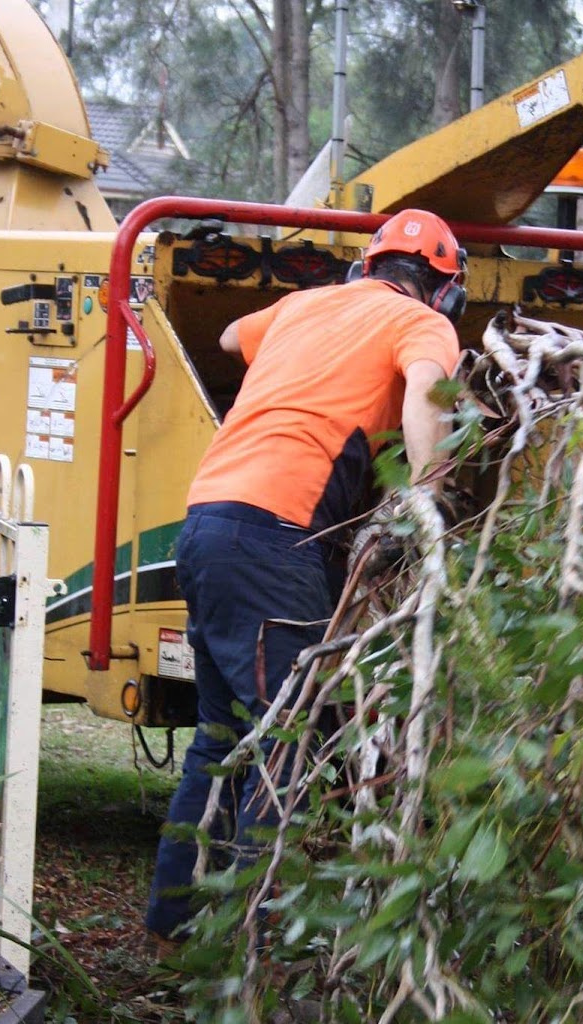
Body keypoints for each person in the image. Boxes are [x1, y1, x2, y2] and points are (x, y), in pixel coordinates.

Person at [145, 209, 465, 946]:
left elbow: (230, 338)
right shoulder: (422, 326)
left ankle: (177, 923)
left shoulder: (304, 304)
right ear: (443, 291)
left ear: (366, 266)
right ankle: (252, 946)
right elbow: (426, 390)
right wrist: (428, 495)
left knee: (222, 737)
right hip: (274, 536)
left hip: (207, 523)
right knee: (288, 743)